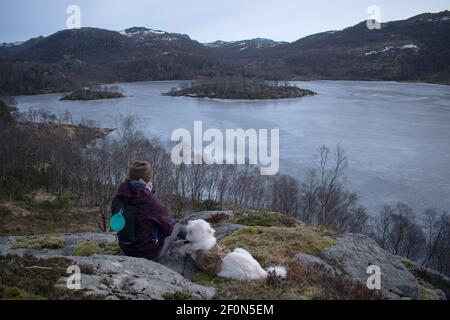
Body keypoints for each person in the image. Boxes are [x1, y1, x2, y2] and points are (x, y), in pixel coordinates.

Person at [111, 160, 185, 261]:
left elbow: (120, 222)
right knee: (178, 226)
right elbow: (168, 230)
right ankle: (199, 241)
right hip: (149, 254)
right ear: (148, 180)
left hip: (126, 250)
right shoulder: (152, 202)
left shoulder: (117, 199)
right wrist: (172, 221)